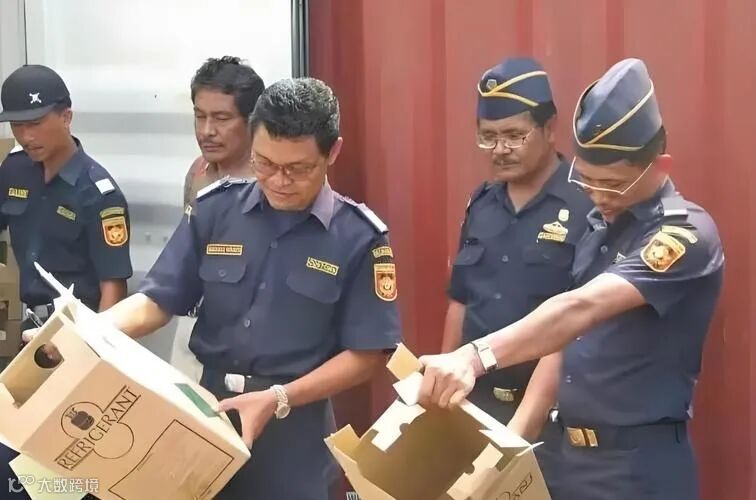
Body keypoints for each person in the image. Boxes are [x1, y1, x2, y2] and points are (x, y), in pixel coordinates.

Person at [418, 58, 724, 500]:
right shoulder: (599, 229)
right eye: (588, 182)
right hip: (568, 459)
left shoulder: (683, 236)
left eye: (612, 184)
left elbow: (581, 308)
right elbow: (564, 342)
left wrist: (474, 357)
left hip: (636, 467)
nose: (598, 197)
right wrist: (511, 446)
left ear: (660, 165)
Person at [100, 77, 402, 499]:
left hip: (292, 429)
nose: (278, 180)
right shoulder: (215, 209)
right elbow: (158, 298)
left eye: (297, 168)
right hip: (206, 415)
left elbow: (368, 355)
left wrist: (279, 397)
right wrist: (88, 331)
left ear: (332, 152)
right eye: (264, 163)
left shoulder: (359, 238)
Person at [442, 57, 591, 493]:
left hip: (550, 421)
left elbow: (574, 327)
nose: (500, 149)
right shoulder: (482, 203)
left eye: (513, 135)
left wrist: (520, 430)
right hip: (475, 407)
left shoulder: (586, 203)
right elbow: (461, 301)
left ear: (550, 128)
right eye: (488, 137)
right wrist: (442, 386)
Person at [0, 64, 133, 498]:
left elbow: (114, 287)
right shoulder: (14, 171)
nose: (26, 136)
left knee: (67, 469)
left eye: (36, 123)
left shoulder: (99, 193)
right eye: (17, 125)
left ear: (66, 116)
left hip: (78, 338)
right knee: (15, 457)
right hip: (29, 337)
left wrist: (96, 356)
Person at [183, 56, 265, 208]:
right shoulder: (197, 171)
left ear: (252, 120)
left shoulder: (271, 186)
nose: (207, 131)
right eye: (200, 116)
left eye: (221, 118)